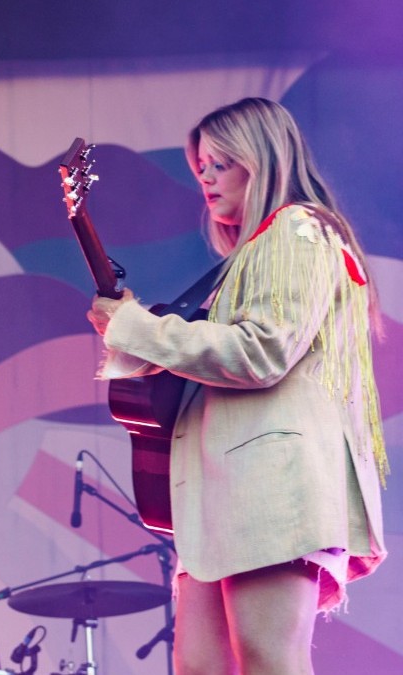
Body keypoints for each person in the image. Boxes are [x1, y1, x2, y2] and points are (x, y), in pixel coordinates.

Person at [87, 97, 387, 674]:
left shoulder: (297, 231)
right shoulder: (260, 251)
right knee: (199, 666)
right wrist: (137, 336)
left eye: (220, 162)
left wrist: (140, 328)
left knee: (269, 661)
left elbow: (262, 351)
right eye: (200, 165)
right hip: (229, 495)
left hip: (269, 491)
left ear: (262, 158)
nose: (204, 175)